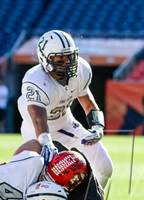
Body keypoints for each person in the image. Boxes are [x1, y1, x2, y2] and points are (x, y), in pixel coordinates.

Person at [17, 30, 113, 190]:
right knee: (40, 181)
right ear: (45, 58)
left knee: (104, 166)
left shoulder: (81, 70)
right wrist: (45, 142)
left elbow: (88, 102)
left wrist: (97, 126)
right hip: (36, 131)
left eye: (69, 56)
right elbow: (38, 117)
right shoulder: (35, 79)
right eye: (60, 58)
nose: (67, 62)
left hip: (66, 123)